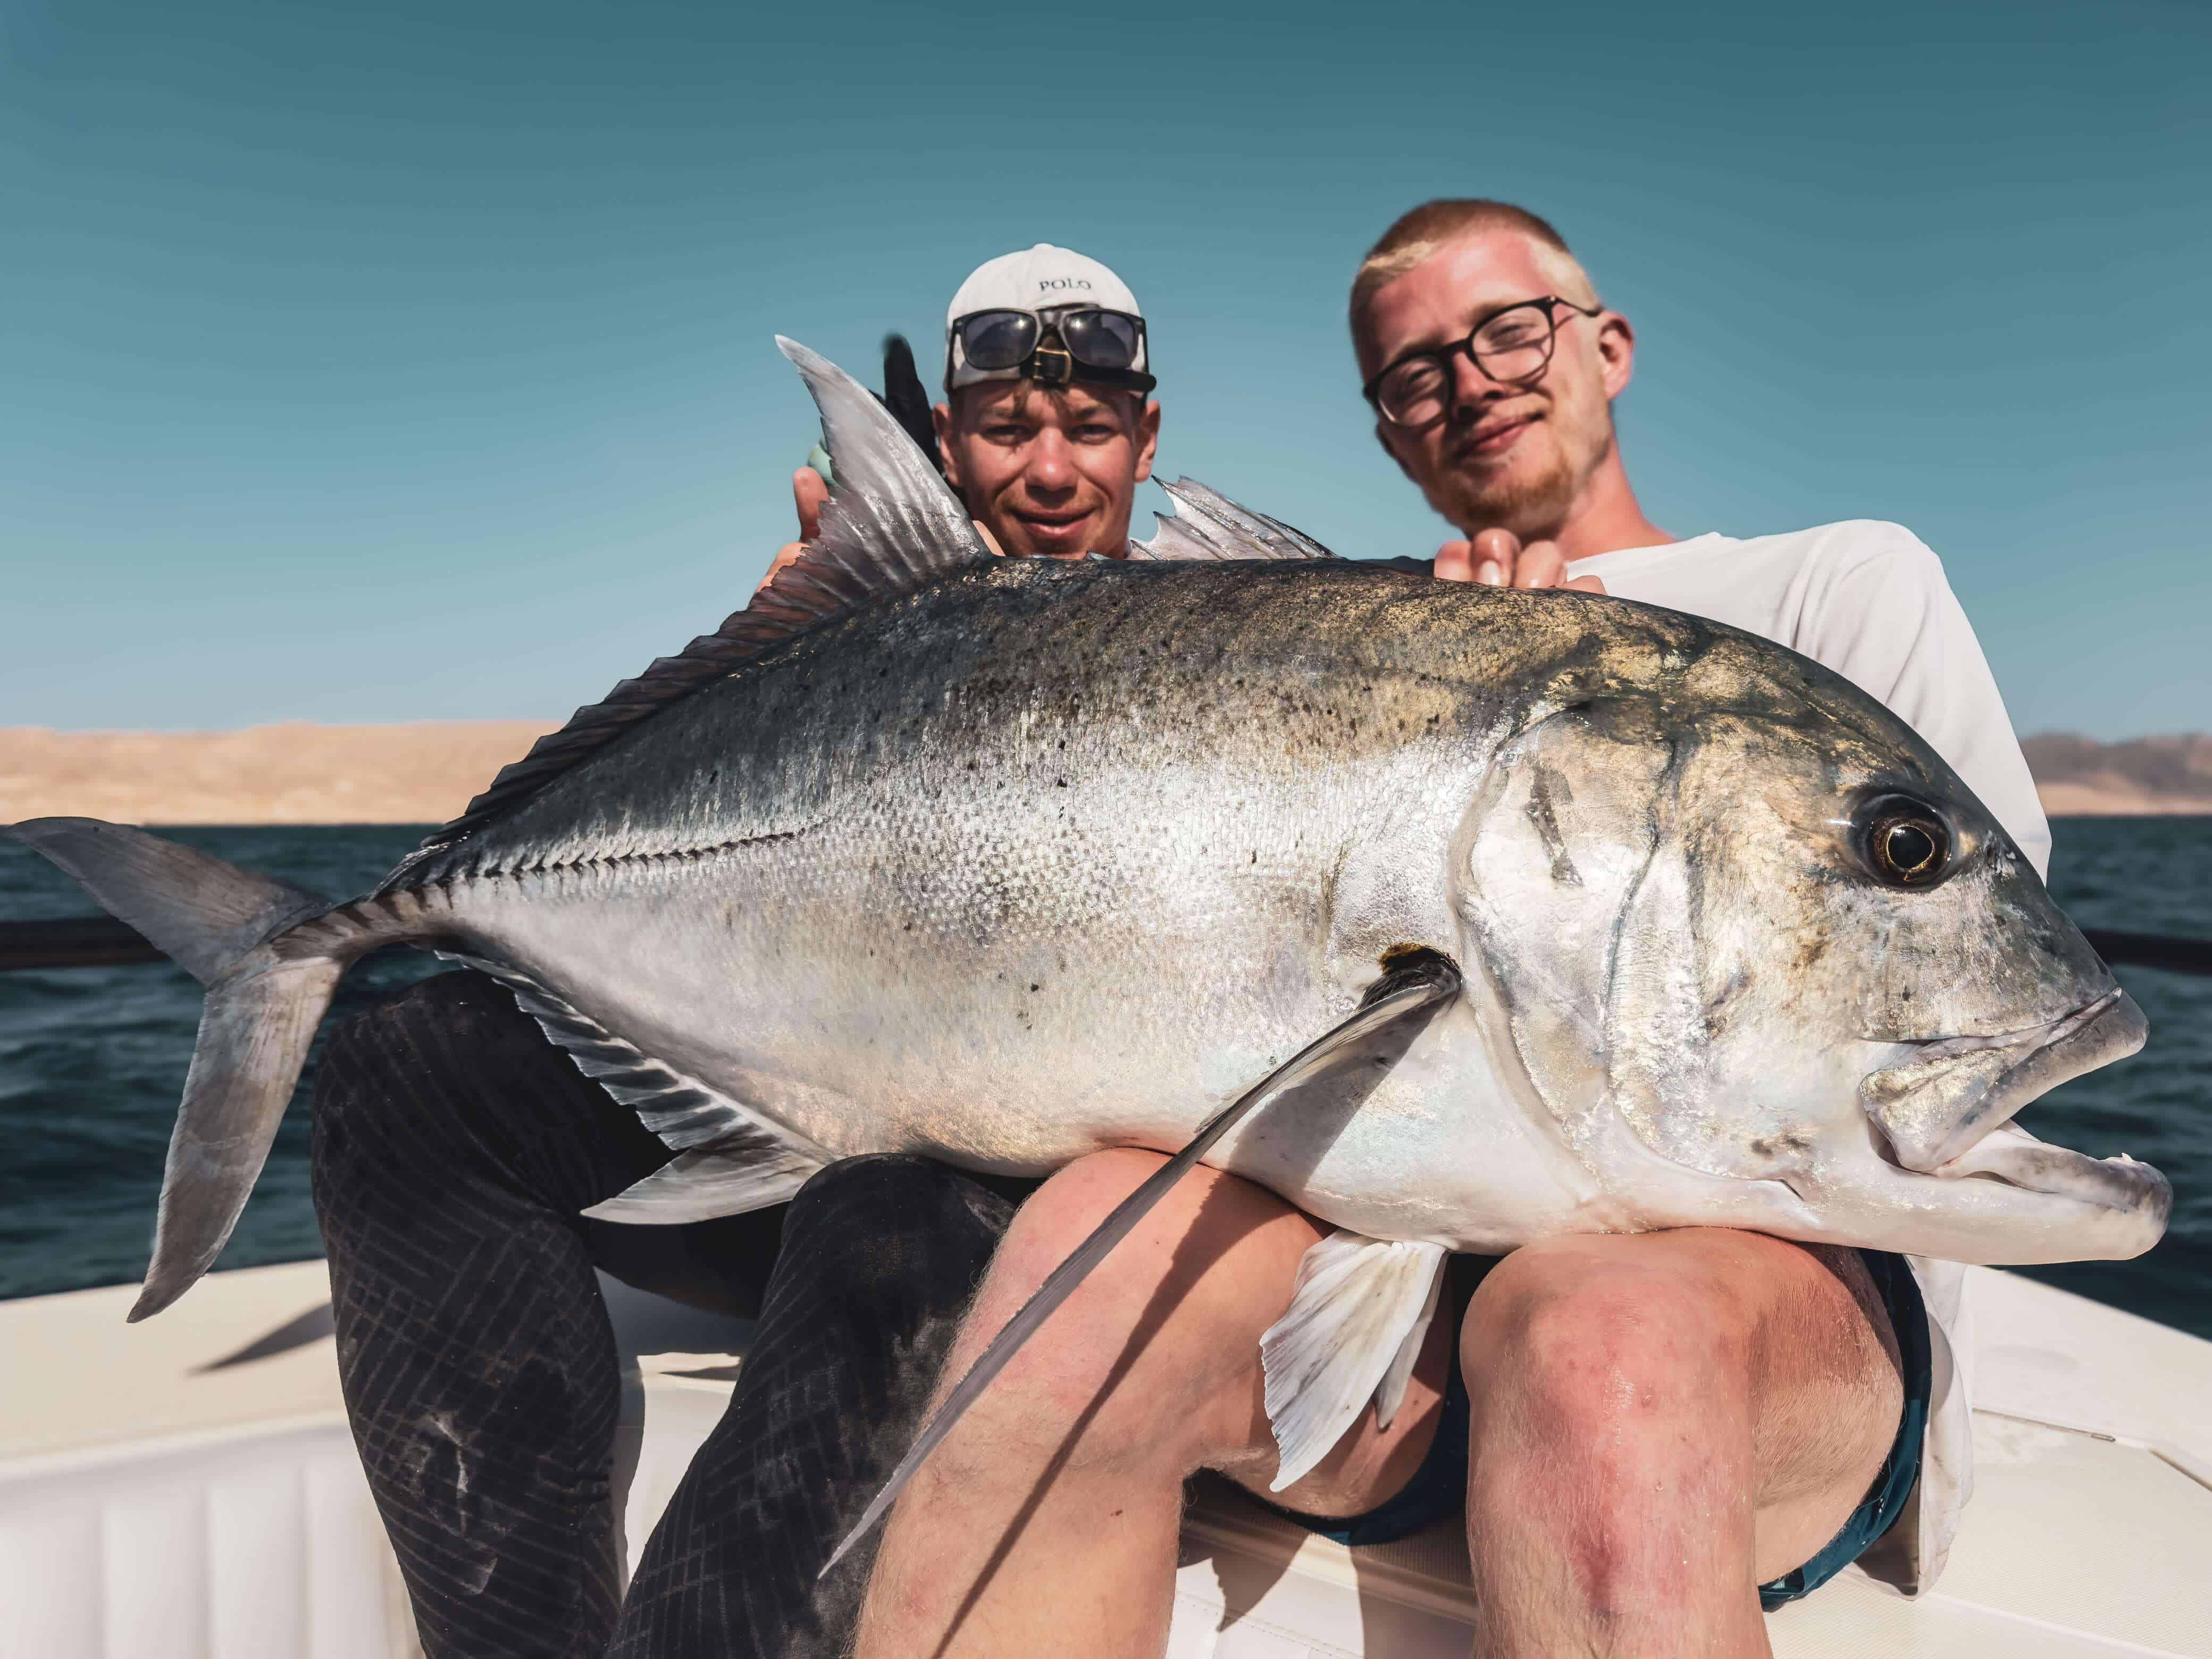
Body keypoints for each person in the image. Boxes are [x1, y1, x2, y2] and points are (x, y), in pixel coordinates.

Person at [849, 202, 2051, 1659]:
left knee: (1603, 1340)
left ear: (1608, 344)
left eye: (1509, 332)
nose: (1472, 381)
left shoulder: (1835, 587)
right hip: (1403, 1312)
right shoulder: (1358, 639)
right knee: (1067, 1288)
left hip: (1757, 1320)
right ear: (1387, 428)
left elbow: (1939, 976)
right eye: (1417, 372)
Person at [311, 244, 1165, 1659]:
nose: (1053, 471)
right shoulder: (877, 613)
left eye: (1090, 428)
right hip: (803, 1118)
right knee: (406, 1067)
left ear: (1146, 433)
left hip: (1009, 1194)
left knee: (886, 1204)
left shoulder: (1244, 622)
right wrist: (791, 656)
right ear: (947, 440)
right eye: (1008, 430)